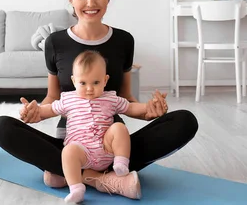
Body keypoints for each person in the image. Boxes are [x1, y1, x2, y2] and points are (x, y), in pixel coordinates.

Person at [0, 0, 199, 201]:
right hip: (72, 144)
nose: (91, 2)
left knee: (185, 121)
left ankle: (74, 175)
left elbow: (127, 100)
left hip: (113, 144)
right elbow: (53, 99)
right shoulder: (55, 42)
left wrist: (150, 111)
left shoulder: (124, 40)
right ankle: (98, 178)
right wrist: (35, 113)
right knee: (1, 128)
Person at [21, 50, 150, 203]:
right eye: (83, 83)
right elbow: (48, 110)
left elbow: (130, 107)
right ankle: (76, 188)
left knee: (119, 128)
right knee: (68, 151)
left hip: (107, 148)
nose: (89, 88)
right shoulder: (68, 99)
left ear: (105, 80)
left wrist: (148, 107)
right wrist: (34, 110)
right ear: (74, 81)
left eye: (96, 82)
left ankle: (121, 163)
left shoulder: (111, 98)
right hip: (82, 154)